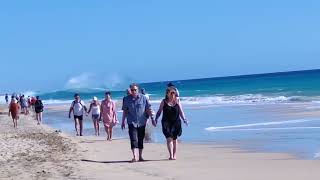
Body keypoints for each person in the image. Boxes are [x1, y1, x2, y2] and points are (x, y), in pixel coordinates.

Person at [121, 83, 155, 162]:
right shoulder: (126, 99)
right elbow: (125, 111)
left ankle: (140, 156)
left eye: (135, 90)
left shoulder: (144, 98)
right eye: (132, 90)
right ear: (130, 90)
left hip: (142, 122)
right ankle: (134, 157)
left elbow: (148, 109)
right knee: (133, 139)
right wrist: (123, 121)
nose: (133, 91)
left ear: (138, 90)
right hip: (131, 122)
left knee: (140, 139)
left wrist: (152, 119)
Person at [155, 86, 188, 160]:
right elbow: (159, 111)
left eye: (174, 92)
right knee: (169, 138)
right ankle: (171, 155)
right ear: (167, 94)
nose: (173, 94)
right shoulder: (164, 101)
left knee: (175, 139)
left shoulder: (177, 101)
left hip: (176, 122)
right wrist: (156, 118)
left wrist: (184, 119)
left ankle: (174, 154)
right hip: (166, 122)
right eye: (171, 93)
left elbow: (181, 112)